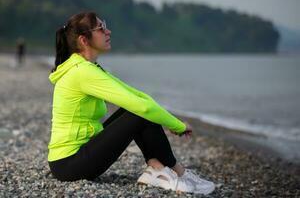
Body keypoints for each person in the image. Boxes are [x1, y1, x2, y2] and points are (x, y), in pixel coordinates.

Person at [47, 12, 215, 195]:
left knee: (137, 109)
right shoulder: (82, 71)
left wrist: (172, 121)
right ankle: (177, 172)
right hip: (70, 164)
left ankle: (158, 168)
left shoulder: (87, 67)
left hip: (76, 156)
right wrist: (178, 125)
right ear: (84, 40)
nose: (108, 31)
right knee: (139, 113)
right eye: (101, 28)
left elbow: (138, 96)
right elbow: (142, 107)